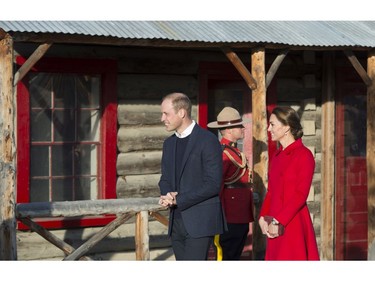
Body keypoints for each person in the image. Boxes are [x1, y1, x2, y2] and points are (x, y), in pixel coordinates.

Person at [158, 92, 226, 260]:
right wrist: (167, 195)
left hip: (200, 222)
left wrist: (178, 199)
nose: (162, 118)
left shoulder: (208, 140)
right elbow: (164, 179)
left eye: (166, 113)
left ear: (182, 113)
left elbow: (213, 184)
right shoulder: (169, 143)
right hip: (176, 222)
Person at [258, 106, 319, 260]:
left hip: (293, 223)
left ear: (286, 127)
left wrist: (278, 220)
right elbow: (272, 191)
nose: (268, 128)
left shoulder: (304, 155)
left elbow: (300, 195)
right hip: (274, 224)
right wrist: (263, 216)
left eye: (272, 124)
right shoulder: (277, 156)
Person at [207, 107, 254, 260]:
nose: (243, 128)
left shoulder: (233, 151)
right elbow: (217, 186)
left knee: (234, 256)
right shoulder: (223, 153)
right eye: (239, 126)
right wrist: (216, 215)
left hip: (240, 213)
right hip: (228, 216)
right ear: (228, 130)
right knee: (227, 257)